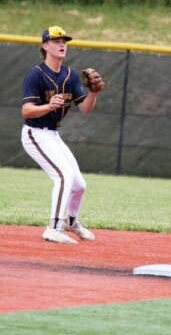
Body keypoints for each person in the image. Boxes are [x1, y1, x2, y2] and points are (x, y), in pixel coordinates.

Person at [20, 26, 105, 244]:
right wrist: (48, 106)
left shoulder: (70, 75)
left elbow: (85, 108)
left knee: (79, 185)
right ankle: (53, 227)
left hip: (53, 135)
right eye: (56, 41)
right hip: (34, 134)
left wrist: (94, 93)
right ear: (45, 46)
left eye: (64, 41)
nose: (61, 44)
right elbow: (26, 111)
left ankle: (71, 221)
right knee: (63, 175)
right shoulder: (35, 74)